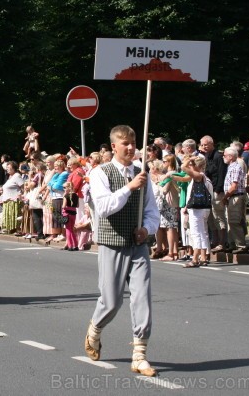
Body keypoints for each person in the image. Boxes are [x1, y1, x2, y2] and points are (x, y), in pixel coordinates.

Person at [84, 125, 160, 377]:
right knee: (112, 300)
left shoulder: (142, 173)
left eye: (133, 142)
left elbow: (152, 210)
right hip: (112, 243)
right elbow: (104, 207)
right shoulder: (100, 173)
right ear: (114, 146)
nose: (130, 147)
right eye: (125, 143)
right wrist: (129, 188)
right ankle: (95, 329)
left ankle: (139, 354)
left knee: (141, 296)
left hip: (137, 245)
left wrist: (147, 229)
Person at [180, 156, 213, 267]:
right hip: (204, 208)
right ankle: (203, 257)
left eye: (192, 165)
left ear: (197, 166)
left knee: (196, 233)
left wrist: (190, 158)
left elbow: (182, 167)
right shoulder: (204, 178)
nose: (190, 167)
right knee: (203, 232)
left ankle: (195, 259)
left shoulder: (198, 176)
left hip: (197, 209)